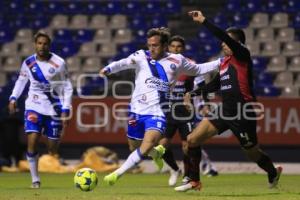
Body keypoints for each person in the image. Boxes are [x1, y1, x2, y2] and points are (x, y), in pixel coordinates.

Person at [99, 27, 221, 186]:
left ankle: (116, 174)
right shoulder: (141, 56)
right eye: (149, 45)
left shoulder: (177, 60)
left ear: (164, 45)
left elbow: (199, 69)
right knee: (134, 146)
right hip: (136, 111)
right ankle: (156, 154)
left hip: (159, 112)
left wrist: (222, 62)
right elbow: (123, 63)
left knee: (147, 144)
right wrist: (109, 68)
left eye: (155, 45)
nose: (151, 48)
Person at [181, 10, 282, 192]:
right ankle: (194, 181)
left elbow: (222, 36)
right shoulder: (224, 64)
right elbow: (213, 86)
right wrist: (193, 93)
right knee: (192, 139)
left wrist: (204, 21)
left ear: (237, 43)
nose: (223, 43)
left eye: (227, 41)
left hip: (243, 112)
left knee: (251, 152)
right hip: (224, 111)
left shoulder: (243, 55)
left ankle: (272, 171)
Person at [8, 31, 73, 188]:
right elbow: (21, 81)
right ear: (35, 45)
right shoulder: (29, 63)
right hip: (34, 106)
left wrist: (65, 109)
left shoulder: (59, 63)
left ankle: (52, 145)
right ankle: (35, 180)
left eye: (45, 44)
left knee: (52, 149)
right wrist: (13, 98)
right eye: (39, 43)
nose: (42, 46)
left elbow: (67, 87)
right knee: (32, 139)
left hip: (53, 109)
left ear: (49, 45)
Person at [158, 35, 218, 189]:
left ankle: (187, 176)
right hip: (168, 109)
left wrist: (204, 104)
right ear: (168, 48)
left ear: (183, 49)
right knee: (161, 145)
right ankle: (174, 169)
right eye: (173, 46)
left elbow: (201, 86)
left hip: (185, 110)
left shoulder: (190, 65)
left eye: (179, 47)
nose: (176, 49)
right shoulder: (162, 65)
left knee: (187, 145)